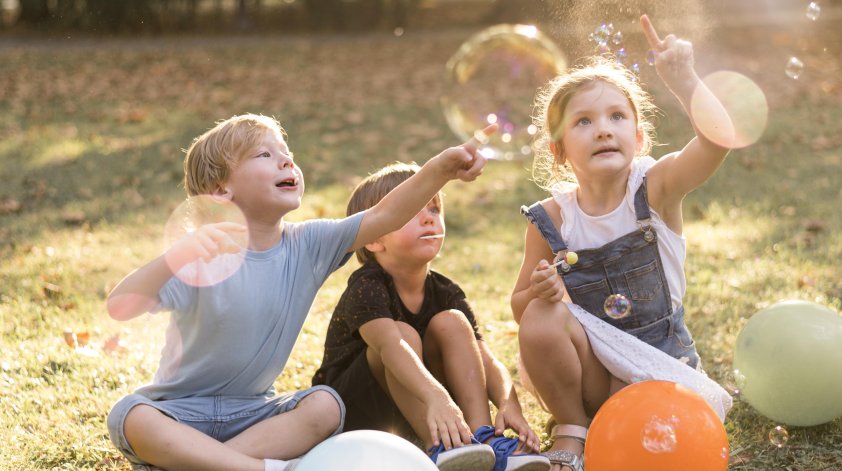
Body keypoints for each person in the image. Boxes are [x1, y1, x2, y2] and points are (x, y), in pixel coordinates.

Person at [105, 113, 495, 471]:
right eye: (265, 154)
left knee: (325, 405)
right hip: (180, 415)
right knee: (130, 415)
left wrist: (439, 169)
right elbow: (120, 306)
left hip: (254, 415)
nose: (286, 161)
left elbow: (384, 215)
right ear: (221, 189)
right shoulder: (197, 256)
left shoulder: (309, 245)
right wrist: (174, 258)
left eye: (287, 154)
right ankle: (259, 468)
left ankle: (204, 463)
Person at [511, 15, 735, 471]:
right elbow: (520, 309)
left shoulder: (656, 189)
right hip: (595, 371)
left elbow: (717, 142)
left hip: (659, 366)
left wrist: (684, 79)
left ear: (638, 136)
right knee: (539, 317)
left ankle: (614, 425)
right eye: (583, 121)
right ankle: (573, 427)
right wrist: (540, 291)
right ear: (559, 151)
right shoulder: (552, 219)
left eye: (616, 116)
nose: (603, 129)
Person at [312, 162, 550, 471]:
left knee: (452, 322)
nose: (429, 218)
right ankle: (442, 448)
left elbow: (485, 359)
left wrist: (508, 403)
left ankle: (481, 438)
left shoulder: (445, 291)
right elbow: (390, 347)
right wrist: (437, 396)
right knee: (403, 335)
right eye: (412, 211)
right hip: (358, 410)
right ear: (373, 238)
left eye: (434, 209)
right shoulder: (366, 286)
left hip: (432, 407)